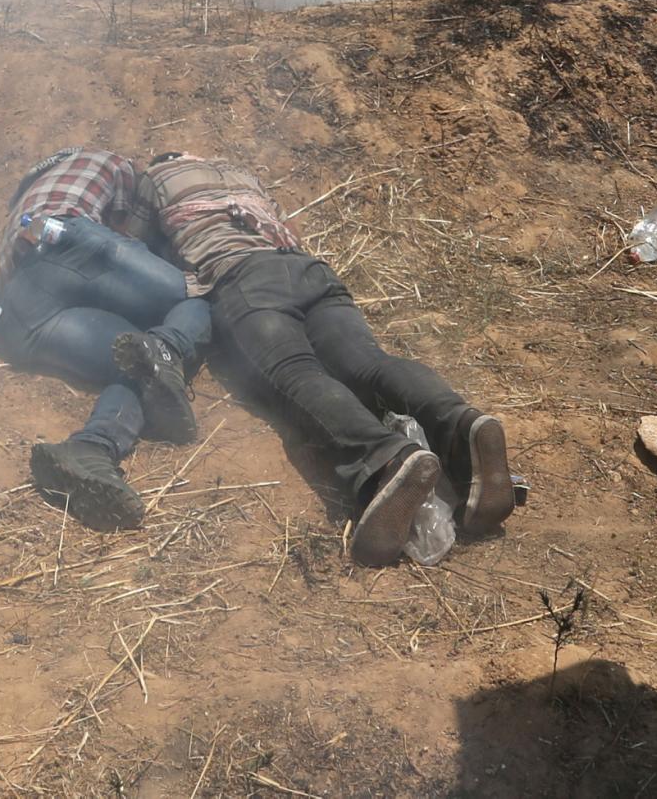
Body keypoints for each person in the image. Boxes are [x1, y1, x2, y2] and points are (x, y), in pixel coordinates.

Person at [136, 153, 515, 566]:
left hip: (243, 277)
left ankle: (388, 458)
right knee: (368, 363)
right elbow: (291, 231)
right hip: (309, 271)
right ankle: (462, 425)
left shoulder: (155, 179)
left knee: (297, 373)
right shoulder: (241, 173)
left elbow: (131, 245)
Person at [0, 148, 211, 531]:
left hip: (18, 314)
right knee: (194, 294)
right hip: (67, 242)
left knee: (138, 360)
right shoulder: (107, 160)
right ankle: (169, 350)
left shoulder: (24, 198)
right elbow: (128, 233)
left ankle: (90, 449)